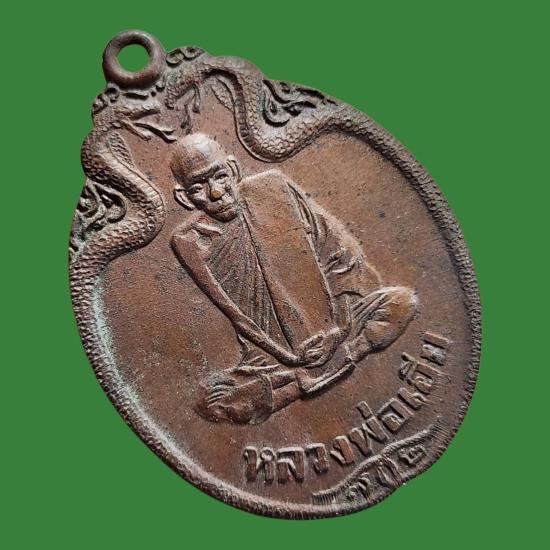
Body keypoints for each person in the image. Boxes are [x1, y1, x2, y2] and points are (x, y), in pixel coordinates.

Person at [170, 133, 417, 424]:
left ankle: (315, 374)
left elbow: (340, 254)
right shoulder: (189, 241)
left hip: (338, 326)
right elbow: (237, 316)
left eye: (220, 177)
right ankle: (310, 375)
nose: (215, 193)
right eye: (198, 188)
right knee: (210, 402)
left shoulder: (273, 188)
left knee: (402, 302)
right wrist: (291, 358)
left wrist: (339, 330)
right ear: (183, 197)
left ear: (234, 169)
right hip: (271, 356)